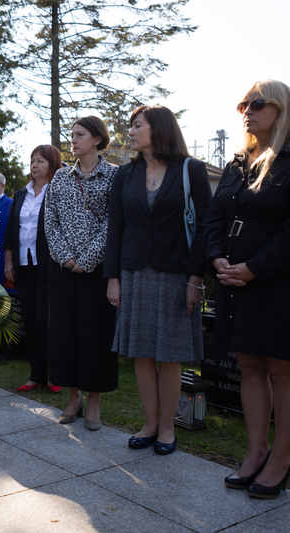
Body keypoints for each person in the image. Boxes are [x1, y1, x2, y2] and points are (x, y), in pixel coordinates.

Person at [106, 106, 211, 454]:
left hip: (176, 274)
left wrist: (196, 277)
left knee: (169, 354)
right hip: (134, 274)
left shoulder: (191, 170)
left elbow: (205, 228)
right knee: (141, 352)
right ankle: (149, 424)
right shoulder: (125, 174)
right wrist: (113, 278)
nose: (130, 132)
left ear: (159, 128)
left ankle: (167, 428)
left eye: (137, 125)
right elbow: (116, 229)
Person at [204, 80, 290, 499]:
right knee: (249, 365)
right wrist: (216, 256)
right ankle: (257, 452)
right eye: (243, 104)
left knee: (282, 371)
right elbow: (214, 218)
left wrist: (255, 268)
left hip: (276, 281)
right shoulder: (238, 162)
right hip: (234, 280)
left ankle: (282, 459)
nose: (247, 111)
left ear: (281, 109)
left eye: (256, 104)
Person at [44, 116, 118, 431]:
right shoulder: (61, 177)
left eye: (80, 134)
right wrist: (65, 257)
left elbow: (114, 223)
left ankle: (95, 402)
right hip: (63, 269)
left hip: (97, 270)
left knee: (95, 336)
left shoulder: (115, 175)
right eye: (71, 134)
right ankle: (73, 397)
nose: (72, 140)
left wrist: (87, 259)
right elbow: (50, 220)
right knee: (64, 334)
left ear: (97, 139)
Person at [4, 145, 63, 393]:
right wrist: (9, 262)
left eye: (40, 161)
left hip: (49, 265)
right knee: (29, 319)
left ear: (52, 163)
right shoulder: (21, 193)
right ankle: (36, 374)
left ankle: (55, 374)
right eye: (32, 161)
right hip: (23, 264)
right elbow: (11, 231)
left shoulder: (59, 191)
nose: (34, 165)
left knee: (45, 319)